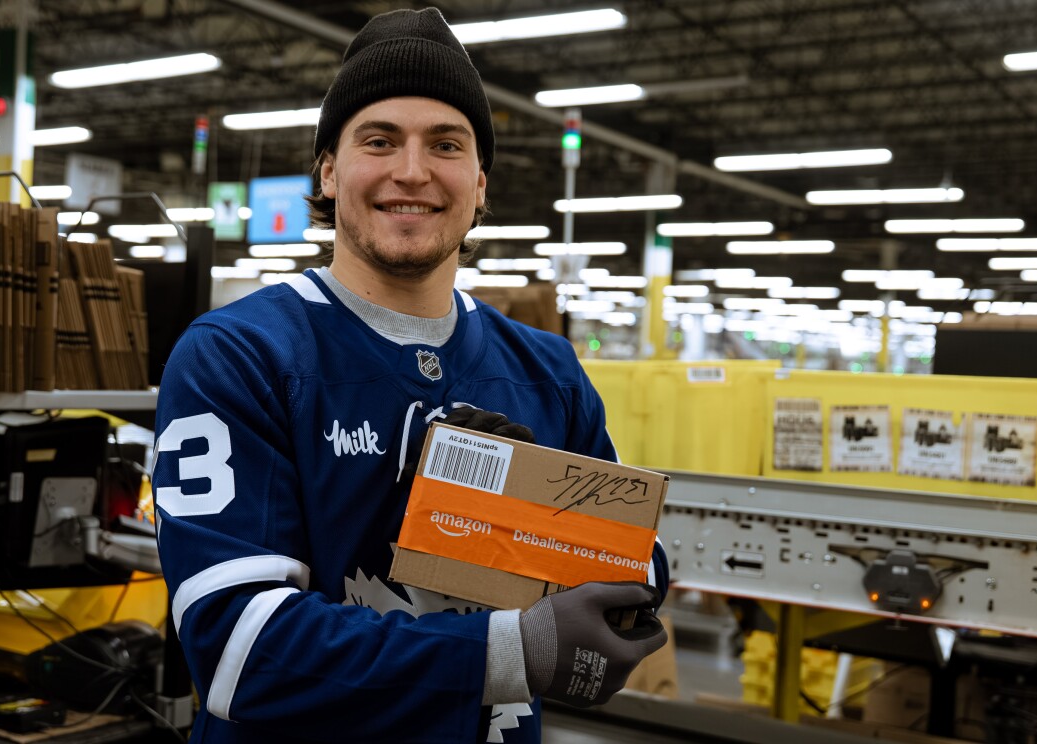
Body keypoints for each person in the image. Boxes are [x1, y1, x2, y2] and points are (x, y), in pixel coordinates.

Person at [153, 8, 670, 742]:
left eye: (446, 144)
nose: (412, 170)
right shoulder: (238, 355)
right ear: (329, 172)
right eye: (379, 140)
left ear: (480, 183)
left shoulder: (546, 369)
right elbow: (239, 653)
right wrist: (517, 645)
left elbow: (637, 572)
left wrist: (512, 519)